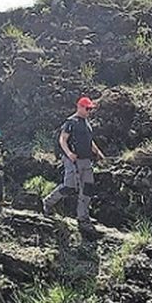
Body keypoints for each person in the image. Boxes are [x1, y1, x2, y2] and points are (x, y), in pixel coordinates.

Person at [42, 96, 105, 228]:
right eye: (87, 109)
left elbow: (89, 140)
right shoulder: (70, 122)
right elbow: (62, 139)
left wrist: (97, 151)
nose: (89, 111)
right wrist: (69, 153)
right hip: (73, 160)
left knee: (87, 188)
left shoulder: (86, 123)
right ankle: (48, 202)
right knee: (69, 186)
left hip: (86, 159)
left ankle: (83, 217)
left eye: (90, 109)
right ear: (80, 107)